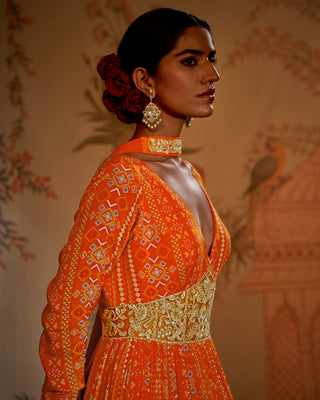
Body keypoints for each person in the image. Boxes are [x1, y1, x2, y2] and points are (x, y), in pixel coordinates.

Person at [39, 8, 233, 400]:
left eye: (210, 59)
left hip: (200, 373)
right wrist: (62, 390)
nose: (211, 75)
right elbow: (73, 298)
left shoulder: (190, 174)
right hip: (134, 378)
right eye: (190, 61)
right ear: (145, 79)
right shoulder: (123, 176)